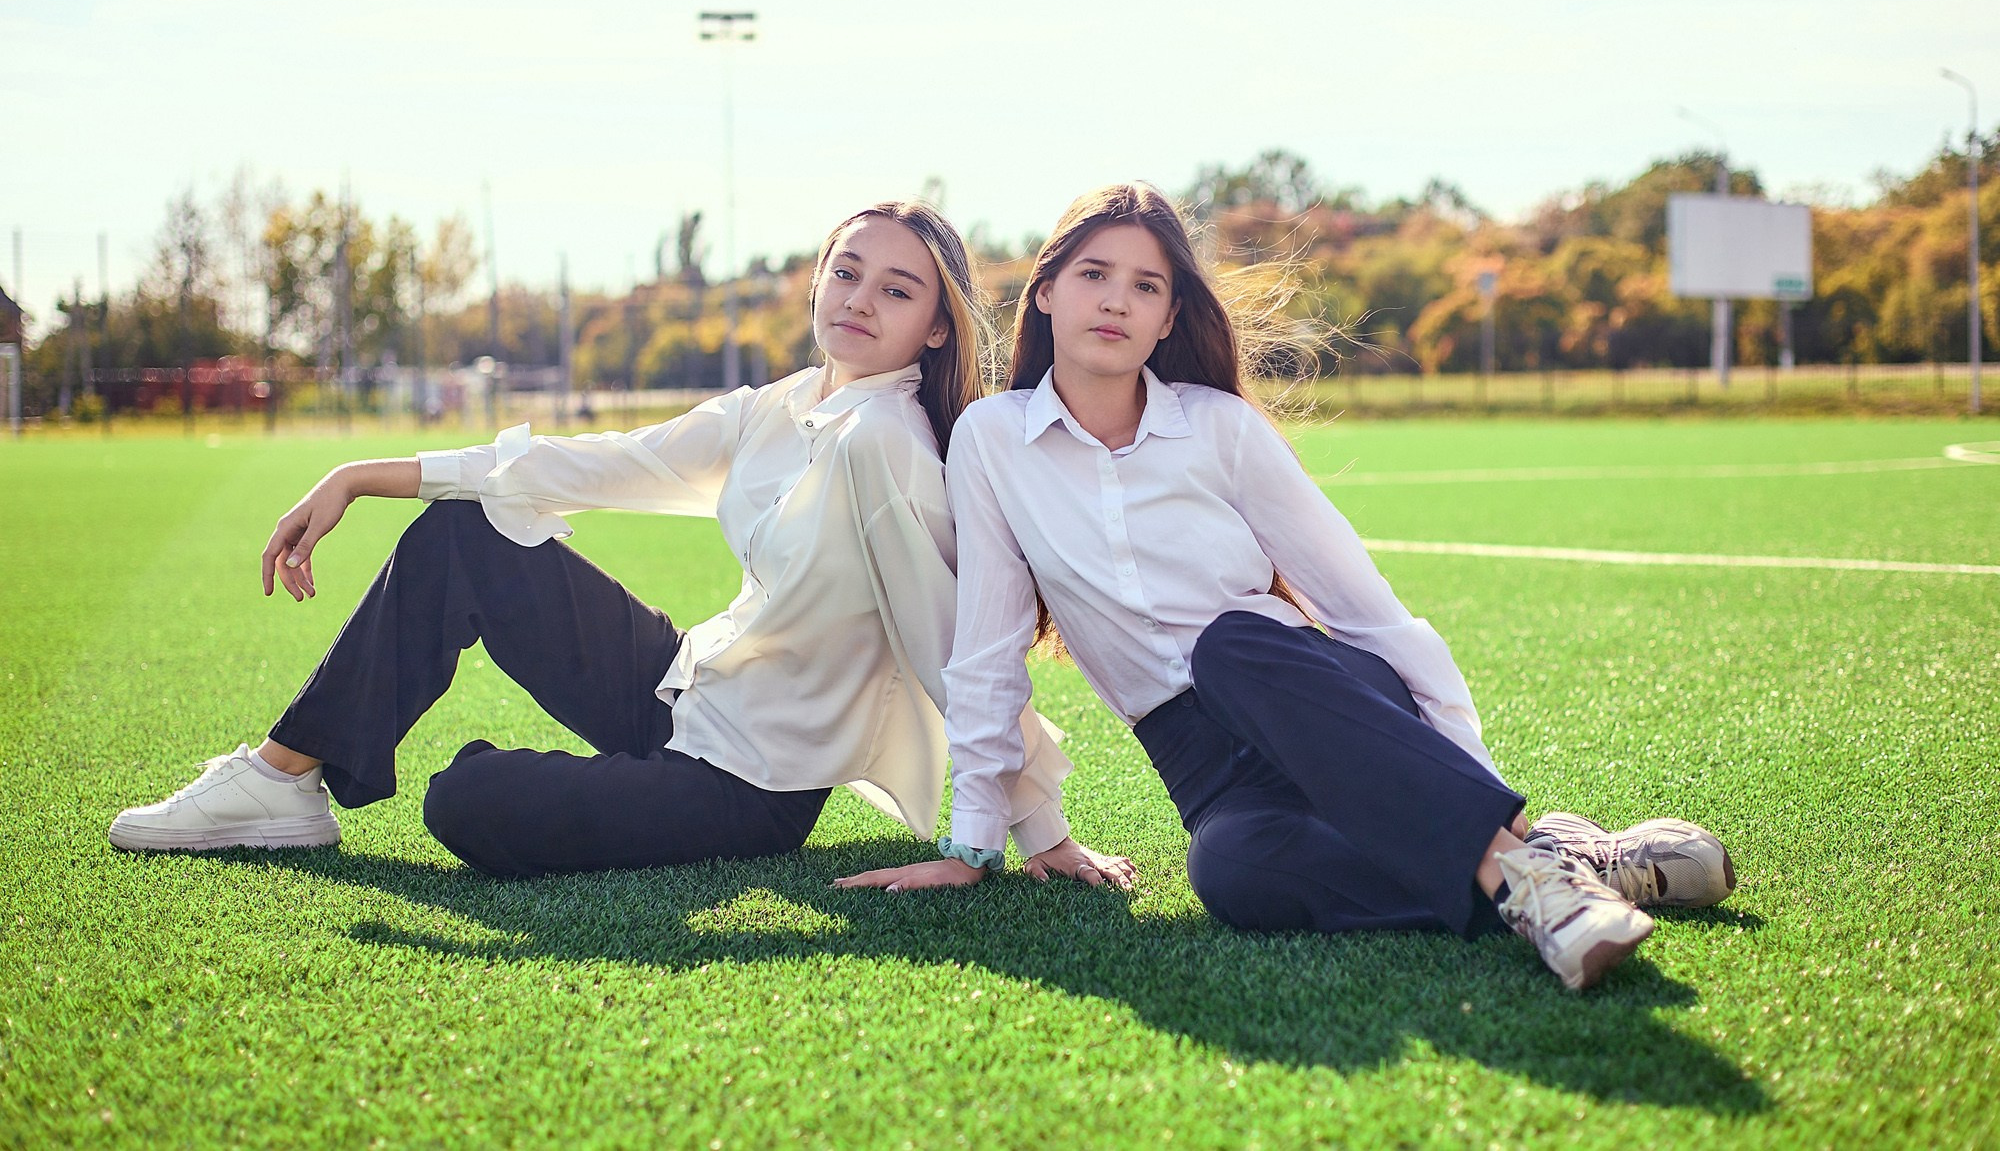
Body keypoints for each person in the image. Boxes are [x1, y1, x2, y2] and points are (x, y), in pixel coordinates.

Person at [838, 183, 1732, 991]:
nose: (1116, 299)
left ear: (1165, 319)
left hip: (1312, 691)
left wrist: (1478, 778)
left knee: (1234, 644)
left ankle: (1530, 877)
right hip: (1203, 766)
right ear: (1044, 292)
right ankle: (1556, 862)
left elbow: (1369, 616)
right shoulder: (992, 441)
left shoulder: (1222, 430)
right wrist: (975, 842)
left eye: (1146, 287)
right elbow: (988, 648)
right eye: (1094, 273)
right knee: (1231, 875)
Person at [111, 200, 1118, 884]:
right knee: (467, 534)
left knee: (468, 800)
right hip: (679, 688)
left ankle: (376, 780)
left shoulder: (886, 448)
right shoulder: (778, 407)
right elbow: (593, 462)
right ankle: (283, 779)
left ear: (935, 330)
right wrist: (360, 477)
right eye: (845, 272)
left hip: (746, 789)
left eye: (896, 291)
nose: (858, 299)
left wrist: (1033, 832)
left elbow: (953, 641)